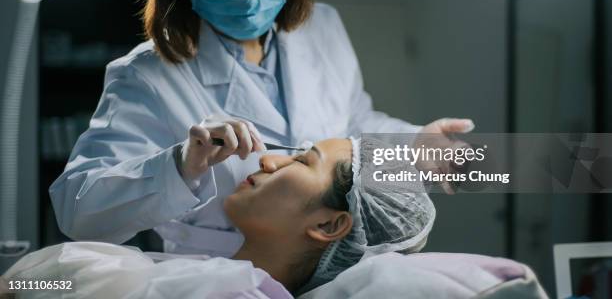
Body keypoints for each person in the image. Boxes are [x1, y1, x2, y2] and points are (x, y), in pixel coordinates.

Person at [50, 0, 470, 258]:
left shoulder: (321, 28)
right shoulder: (146, 75)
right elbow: (78, 211)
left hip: (319, 269)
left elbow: (352, 127)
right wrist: (182, 164)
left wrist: (414, 146)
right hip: (213, 274)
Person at [8, 139, 435, 297]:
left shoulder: (223, 290)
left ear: (328, 225)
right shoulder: (205, 279)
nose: (269, 159)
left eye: (304, 162)